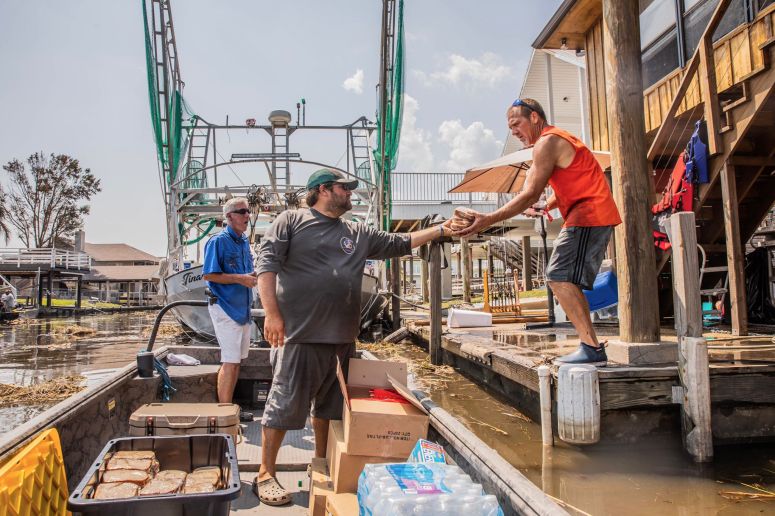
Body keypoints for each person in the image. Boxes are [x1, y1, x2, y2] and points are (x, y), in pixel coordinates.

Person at [253, 168, 453, 505]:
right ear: (323, 190)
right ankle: (265, 472)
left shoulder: (356, 231)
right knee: (284, 406)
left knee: (330, 409)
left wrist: (442, 229)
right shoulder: (290, 220)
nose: (350, 194)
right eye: (345, 189)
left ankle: (320, 459)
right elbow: (266, 267)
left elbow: (398, 243)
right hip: (300, 335)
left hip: (342, 338)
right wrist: (272, 315)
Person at [454, 98, 621, 366]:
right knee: (563, 277)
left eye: (516, 124)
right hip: (589, 212)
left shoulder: (547, 142)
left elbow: (529, 192)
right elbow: (573, 181)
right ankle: (590, 345)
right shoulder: (558, 139)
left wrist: (486, 220)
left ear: (534, 118)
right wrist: (548, 204)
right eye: (509, 128)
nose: (514, 132)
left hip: (589, 213)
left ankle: (591, 348)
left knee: (558, 276)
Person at [202, 197, 258, 407]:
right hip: (225, 307)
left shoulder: (243, 241)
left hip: (242, 309)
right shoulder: (217, 241)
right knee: (230, 361)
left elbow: (243, 272)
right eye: (242, 211)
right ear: (229, 216)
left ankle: (228, 406)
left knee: (237, 361)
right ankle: (224, 410)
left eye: (247, 211)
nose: (247, 215)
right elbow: (209, 275)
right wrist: (240, 278)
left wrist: (252, 275)